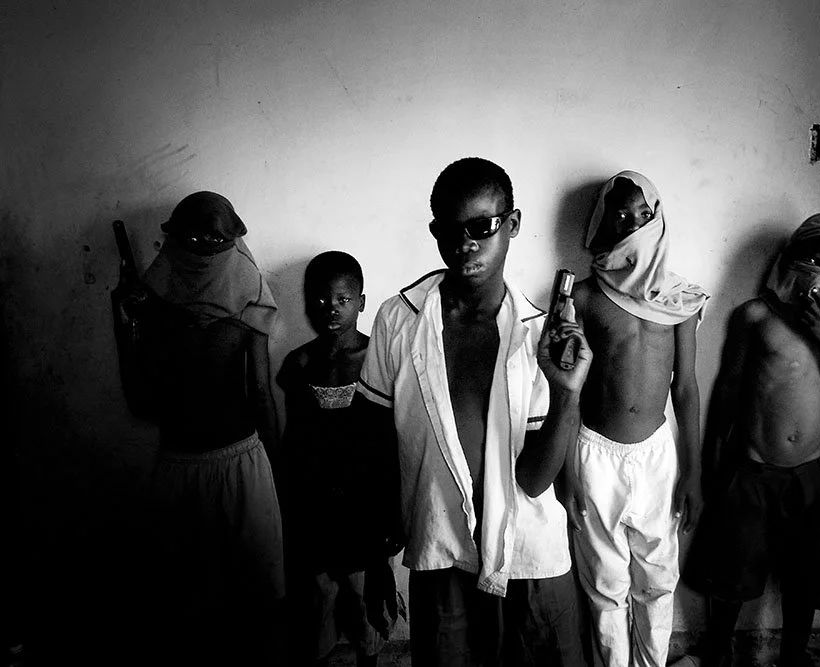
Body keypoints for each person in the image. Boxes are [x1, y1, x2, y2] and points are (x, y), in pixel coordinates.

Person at [354, 157, 591, 666]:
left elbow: (534, 481)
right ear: (435, 231)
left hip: (529, 555)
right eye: (450, 229)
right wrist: (375, 557)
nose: (466, 244)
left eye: (482, 227)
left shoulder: (537, 334)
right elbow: (373, 450)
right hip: (440, 547)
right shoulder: (400, 321)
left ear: (513, 224)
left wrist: (567, 393)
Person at [682, 213, 820, 667]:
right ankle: (718, 650)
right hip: (750, 472)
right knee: (730, 573)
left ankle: (792, 657)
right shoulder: (756, 317)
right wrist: (712, 467)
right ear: (791, 260)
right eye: (813, 260)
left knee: (805, 579)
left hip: (810, 477)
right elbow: (727, 394)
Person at [128, 191, 284, 666]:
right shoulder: (155, 301)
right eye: (194, 240)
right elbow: (143, 401)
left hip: (230, 462)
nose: (203, 251)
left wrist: (277, 470)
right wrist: (130, 321)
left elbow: (260, 392)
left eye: (213, 241)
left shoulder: (240, 301)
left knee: (235, 597)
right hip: (195, 464)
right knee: (199, 600)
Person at [566, 171, 709, 667]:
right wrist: (569, 470)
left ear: (658, 219)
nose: (632, 223)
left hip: (657, 456)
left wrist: (694, 472)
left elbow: (685, 388)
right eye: (621, 214)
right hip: (595, 453)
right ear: (603, 220)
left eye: (643, 214)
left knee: (658, 578)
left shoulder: (680, 300)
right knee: (605, 584)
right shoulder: (583, 297)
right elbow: (566, 390)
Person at [276, 251, 397, 667]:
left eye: (343, 300)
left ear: (361, 302)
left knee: (362, 593)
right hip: (314, 499)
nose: (331, 309)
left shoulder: (379, 359)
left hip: (365, 500)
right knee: (320, 592)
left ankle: (369, 657)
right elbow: (294, 440)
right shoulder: (300, 363)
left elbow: (391, 438)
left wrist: (393, 509)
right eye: (321, 300)